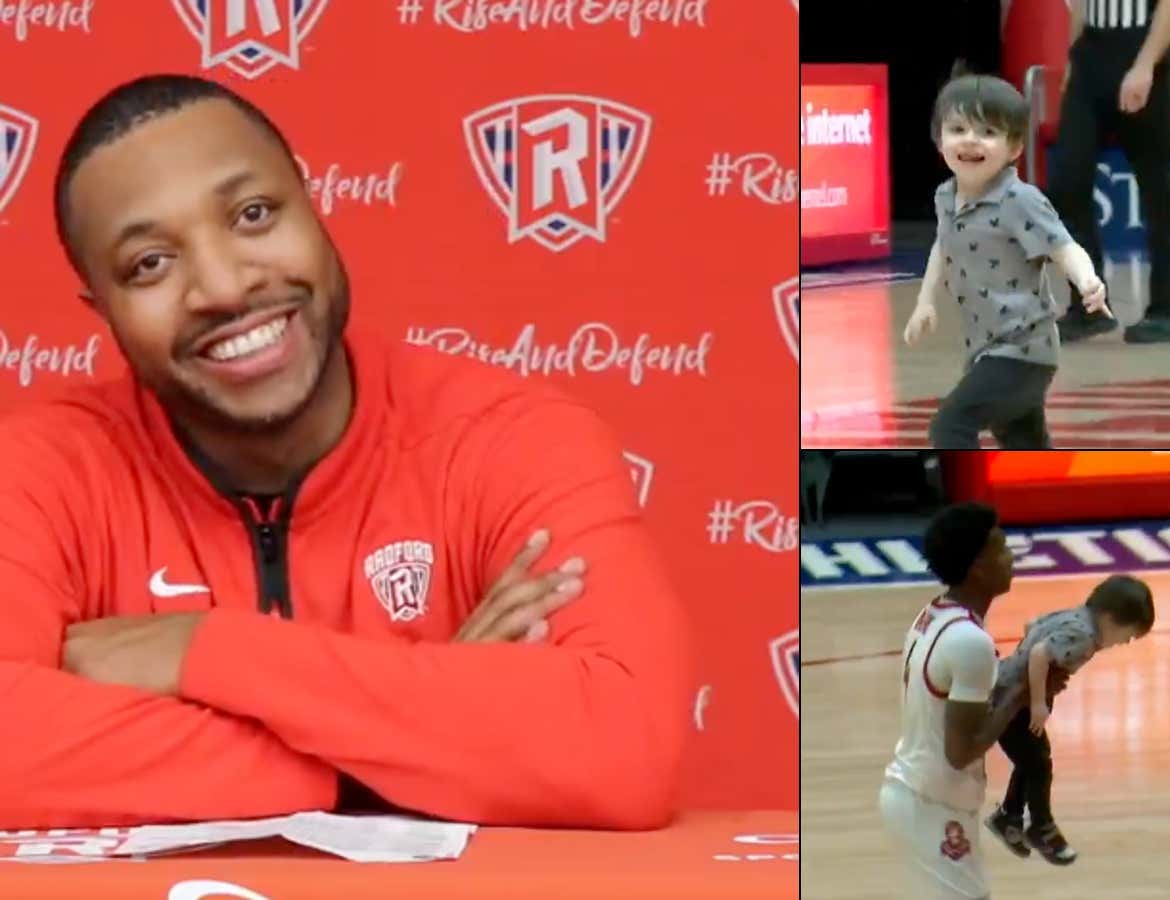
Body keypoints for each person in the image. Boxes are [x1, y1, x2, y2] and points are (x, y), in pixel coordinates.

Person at [0, 74, 694, 829]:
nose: (225, 287)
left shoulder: (510, 438)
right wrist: (413, 751)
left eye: (254, 214)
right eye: (149, 265)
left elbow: (625, 747)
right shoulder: (39, 473)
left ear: (314, 201)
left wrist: (206, 651)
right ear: (100, 310)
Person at [905, 69, 1113, 449]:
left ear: (1015, 148)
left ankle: (964, 501)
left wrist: (1087, 280)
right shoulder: (944, 197)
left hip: (1024, 350)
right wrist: (925, 302)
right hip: (985, 349)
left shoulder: (1019, 199)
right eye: (958, 129)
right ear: (939, 139)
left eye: (988, 132)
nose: (971, 140)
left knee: (950, 428)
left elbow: (1063, 245)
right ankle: (1045, 503)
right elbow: (943, 243)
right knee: (1025, 445)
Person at [878, 501, 1068, 899]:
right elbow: (961, 751)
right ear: (978, 565)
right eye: (1000, 547)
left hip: (923, 795)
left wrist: (1026, 688)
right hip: (930, 803)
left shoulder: (935, 613)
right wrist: (1018, 695)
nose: (1010, 556)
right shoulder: (970, 641)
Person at [985, 574, 1155, 865]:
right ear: (1110, 618)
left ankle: (1009, 817)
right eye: (1127, 635)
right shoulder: (1085, 637)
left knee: (1032, 760)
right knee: (1038, 764)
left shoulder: (1074, 615)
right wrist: (1038, 700)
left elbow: (1032, 627)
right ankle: (1040, 825)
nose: (1124, 642)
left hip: (1007, 688)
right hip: (1011, 702)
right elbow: (1039, 654)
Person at [1051, 0, 1170, 344]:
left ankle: (1165, 309)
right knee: (1067, 181)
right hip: (1091, 55)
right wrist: (1074, 58)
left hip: (1143, 49)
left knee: (1156, 186)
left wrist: (1145, 65)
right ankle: (1089, 306)